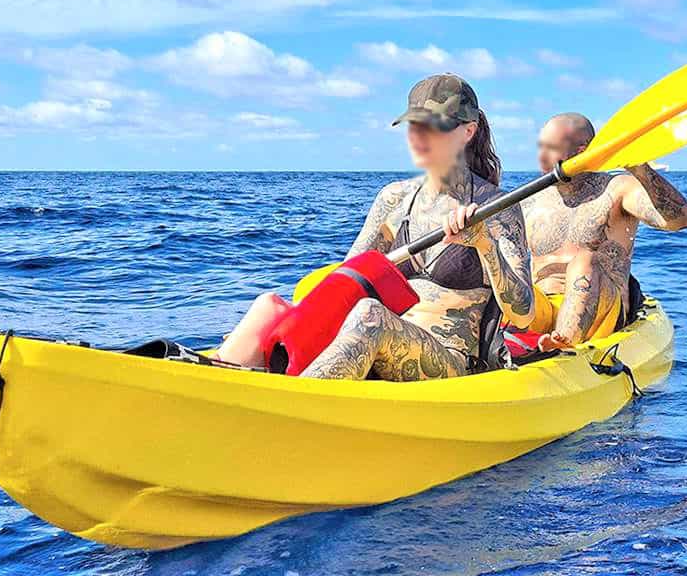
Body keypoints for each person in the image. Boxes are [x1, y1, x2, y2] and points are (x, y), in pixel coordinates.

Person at [216, 74, 535, 379]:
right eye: (414, 125)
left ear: (468, 131)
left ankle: (287, 404)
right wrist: (292, 325)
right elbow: (345, 279)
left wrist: (485, 246)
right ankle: (214, 389)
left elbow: (523, 314)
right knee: (267, 307)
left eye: (435, 126)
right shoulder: (394, 200)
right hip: (371, 338)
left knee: (371, 315)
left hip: (450, 357)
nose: (419, 136)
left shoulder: (497, 208)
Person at [522, 112, 687, 350]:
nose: (541, 156)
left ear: (582, 151)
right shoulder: (530, 200)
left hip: (601, 310)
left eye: (551, 148)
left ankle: (564, 344)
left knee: (586, 259)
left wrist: (638, 167)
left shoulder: (617, 189)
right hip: (540, 309)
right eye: (540, 146)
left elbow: (679, 220)